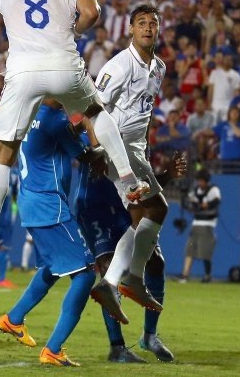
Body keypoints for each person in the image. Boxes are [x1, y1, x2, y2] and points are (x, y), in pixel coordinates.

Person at [0, 0, 148, 264]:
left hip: (22, 73)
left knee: (3, 154)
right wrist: (75, 31)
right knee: (96, 113)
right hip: (63, 66)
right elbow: (92, 12)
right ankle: (128, 180)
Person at [0, 100, 97, 367]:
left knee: (52, 269)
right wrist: (90, 124)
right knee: (85, 274)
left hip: (31, 200)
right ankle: (53, 349)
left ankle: (13, 318)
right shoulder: (55, 119)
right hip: (49, 204)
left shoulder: (29, 113)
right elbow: (88, 155)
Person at [89, 5, 169, 325]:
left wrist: (145, 151)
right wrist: (97, 149)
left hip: (136, 149)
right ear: (130, 30)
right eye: (141, 23)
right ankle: (131, 279)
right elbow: (94, 108)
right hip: (116, 148)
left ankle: (111, 283)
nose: (148, 28)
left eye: (153, 23)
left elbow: (144, 114)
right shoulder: (120, 65)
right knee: (157, 209)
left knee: (141, 220)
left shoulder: (158, 68)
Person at [73, 135, 186, 363]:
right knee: (108, 268)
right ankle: (117, 347)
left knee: (156, 262)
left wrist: (167, 176)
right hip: (96, 208)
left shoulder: (137, 138)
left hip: (127, 207)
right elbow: (82, 152)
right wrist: (93, 154)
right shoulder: (100, 126)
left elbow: (145, 187)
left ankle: (150, 336)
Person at [179, 169, 221, 284]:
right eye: (199, 181)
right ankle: (184, 275)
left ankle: (207, 275)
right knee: (189, 250)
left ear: (206, 181)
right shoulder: (196, 190)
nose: (200, 183)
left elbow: (215, 202)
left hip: (208, 224)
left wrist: (203, 205)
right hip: (196, 223)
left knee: (205, 253)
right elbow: (190, 203)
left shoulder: (213, 189)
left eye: (202, 181)